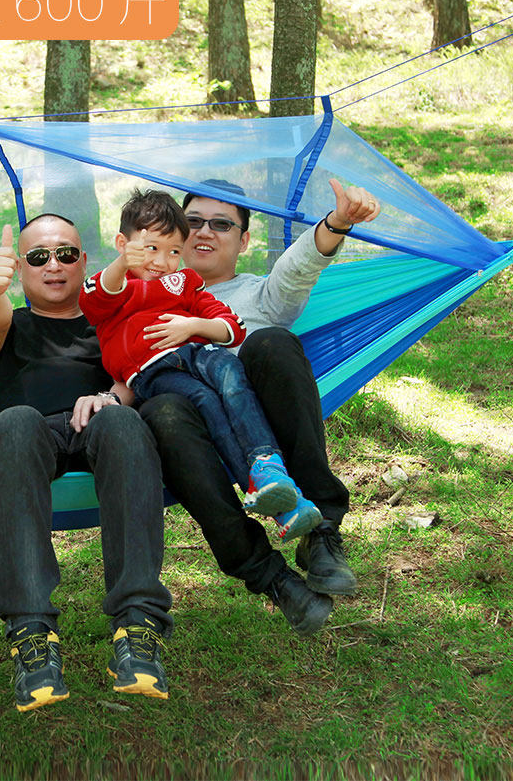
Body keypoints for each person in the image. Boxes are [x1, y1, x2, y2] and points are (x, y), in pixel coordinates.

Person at [139, 178, 380, 636]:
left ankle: (321, 532)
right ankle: (272, 577)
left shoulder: (261, 295)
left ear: (244, 240)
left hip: (260, 427)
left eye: (221, 224)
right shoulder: (143, 299)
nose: (204, 232)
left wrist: (337, 222)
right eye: (193, 222)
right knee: (163, 410)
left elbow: (298, 267)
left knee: (272, 342)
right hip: (184, 432)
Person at [0, 213, 173, 712]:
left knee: (125, 421)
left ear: (84, 261)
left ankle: (138, 626)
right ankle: (31, 633)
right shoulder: (5, 321)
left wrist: (112, 397)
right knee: (15, 421)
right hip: (24, 435)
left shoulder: (111, 319)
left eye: (65, 254)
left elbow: (141, 372)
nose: (54, 265)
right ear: (22, 267)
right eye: (39, 257)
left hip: (98, 424)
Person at [79, 189, 323, 542]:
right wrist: (121, 264)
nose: (162, 262)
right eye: (151, 248)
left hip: (197, 352)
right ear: (123, 244)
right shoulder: (115, 289)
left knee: (231, 374)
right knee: (206, 402)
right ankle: (268, 495)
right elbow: (93, 300)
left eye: (174, 252)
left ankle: (268, 468)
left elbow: (233, 327)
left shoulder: (184, 283)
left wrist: (192, 325)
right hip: (153, 373)